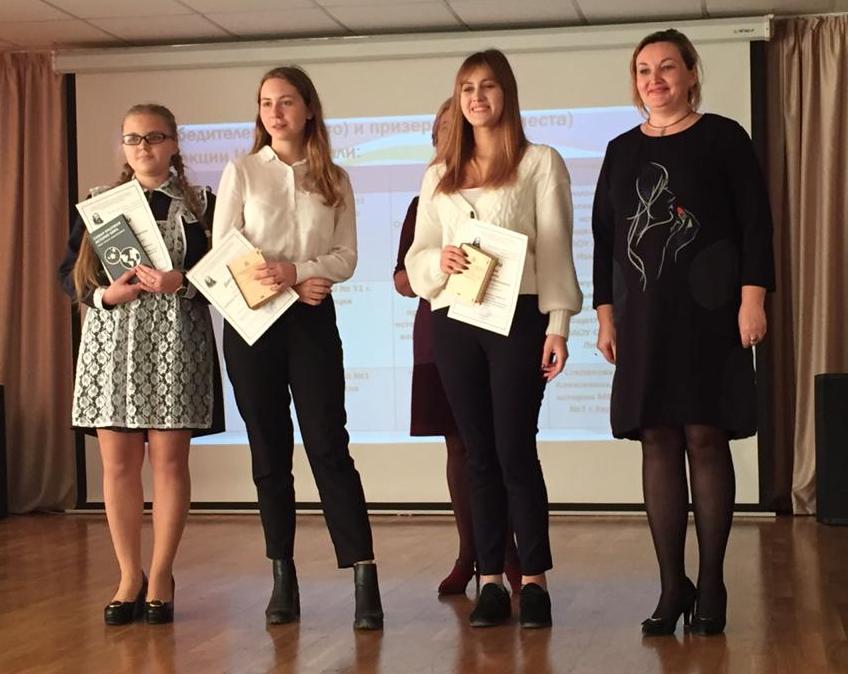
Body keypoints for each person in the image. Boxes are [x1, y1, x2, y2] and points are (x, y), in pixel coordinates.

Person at [591, 29, 775, 637]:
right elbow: (604, 240)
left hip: (712, 312)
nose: (655, 79)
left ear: (691, 74)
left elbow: (755, 223)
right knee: (657, 439)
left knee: (704, 434)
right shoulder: (620, 150)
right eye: (644, 70)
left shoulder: (724, 137)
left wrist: (753, 299)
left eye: (667, 67)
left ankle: (712, 581)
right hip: (642, 319)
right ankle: (674, 585)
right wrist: (606, 314)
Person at [405, 49, 583, 628]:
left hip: (518, 320)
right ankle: (489, 582)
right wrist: (438, 259)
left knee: (515, 450)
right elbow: (419, 254)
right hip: (455, 319)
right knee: (477, 453)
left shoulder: (539, 162)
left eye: (486, 86)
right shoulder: (438, 174)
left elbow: (555, 248)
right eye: (466, 88)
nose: (476, 97)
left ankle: (533, 581)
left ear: (506, 93)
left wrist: (558, 325)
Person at [213, 66, 383, 630]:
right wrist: (289, 280)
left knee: (329, 446)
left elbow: (346, 256)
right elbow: (224, 253)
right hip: (253, 324)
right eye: (266, 103)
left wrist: (300, 271)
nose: (275, 112)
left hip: (311, 321)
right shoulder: (242, 171)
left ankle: (364, 577)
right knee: (269, 452)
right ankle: (282, 577)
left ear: (308, 109)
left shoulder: (334, 177)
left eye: (286, 101)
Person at [58, 103, 223, 625]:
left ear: (174, 143)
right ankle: (129, 574)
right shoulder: (99, 203)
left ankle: (161, 575)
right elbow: (68, 274)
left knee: (169, 464)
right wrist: (104, 296)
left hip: (176, 341)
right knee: (118, 466)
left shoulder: (202, 204)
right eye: (132, 139)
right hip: (112, 343)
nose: (143, 147)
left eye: (153, 137)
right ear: (123, 147)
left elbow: (226, 273)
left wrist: (182, 281)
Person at [394, 99, 521, 596]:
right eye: (442, 131)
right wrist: (439, 266)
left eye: (459, 127)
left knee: (502, 445)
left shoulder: (506, 191)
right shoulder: (424, 201)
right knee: (459, 447)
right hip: (439, 337)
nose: (452, 137)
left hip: (499, 331)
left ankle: (509, 554)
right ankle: (470, 553)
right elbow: (403, 279)